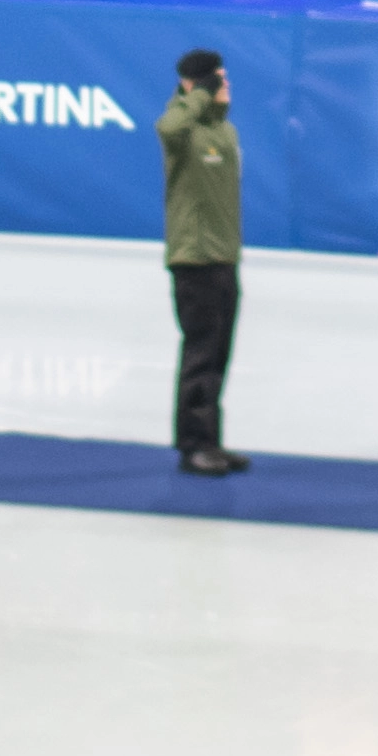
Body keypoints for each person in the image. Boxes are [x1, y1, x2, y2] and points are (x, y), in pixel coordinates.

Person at [156, 49, 249, 477]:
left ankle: (210, 439)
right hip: (194, 259)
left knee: (218, 355)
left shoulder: (224, 131)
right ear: (194, 85)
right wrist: (195, 95)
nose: (224, 86)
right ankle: (193, 445)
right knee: (200, 354)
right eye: (217, 80)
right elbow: (168, 126)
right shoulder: (183, 128)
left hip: (224, 257)